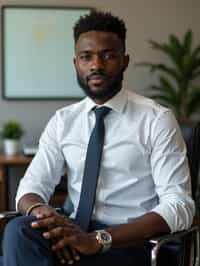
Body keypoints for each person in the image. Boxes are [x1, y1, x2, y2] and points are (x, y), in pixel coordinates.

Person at [1, 10, 195, 266]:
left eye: (108, 55)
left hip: (130, 243)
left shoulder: (156, 120)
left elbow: (179, 205)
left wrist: (99, 239)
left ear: (125, 61)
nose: (96, 65)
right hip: (74, 233)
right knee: (19, 232)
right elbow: (30, 188)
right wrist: (42, 212)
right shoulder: (63, 120)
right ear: (76, 63)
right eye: (86, 57)